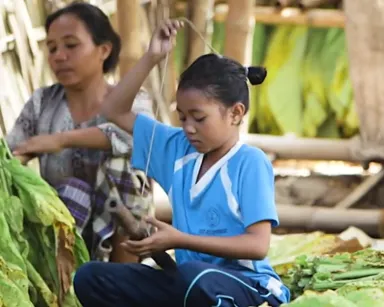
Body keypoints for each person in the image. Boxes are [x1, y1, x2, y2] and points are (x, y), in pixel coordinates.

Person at [72, 19, 291, 307]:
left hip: (248, 287)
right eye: (182, 118)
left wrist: (181, 240)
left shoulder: (250, 162)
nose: (188, 127)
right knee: (91, 276)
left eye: (199, 118)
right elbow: (113, 109)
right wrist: (152, 56)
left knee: (195, 279)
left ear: (236, 113)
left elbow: (257, 245)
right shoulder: (175, 148)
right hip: (188, 281)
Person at [6, 2, 153, 263]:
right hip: (61, 224)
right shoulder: (42, 102)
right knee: (73, 192)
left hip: (126, 233)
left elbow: (134, 135)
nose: (59, 56)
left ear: (104, 50)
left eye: (71, 45)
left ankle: (122, 279)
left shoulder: (132, 100)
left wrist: (60, 140)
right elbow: (13, 151)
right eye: (52, 48)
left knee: (121, 165)